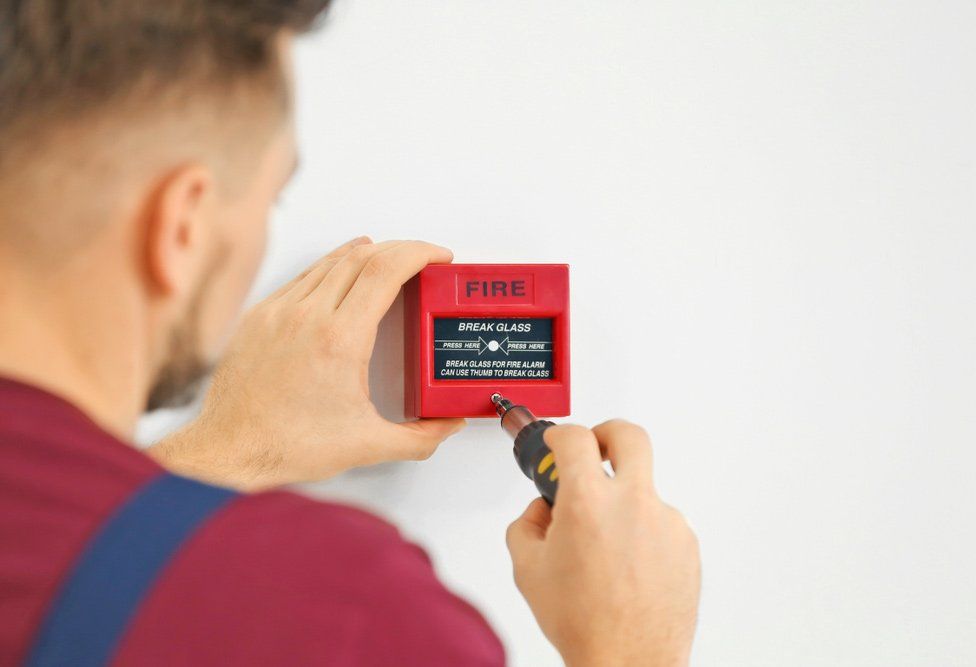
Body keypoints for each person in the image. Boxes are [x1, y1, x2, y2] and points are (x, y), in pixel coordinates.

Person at [0, 1, 701, 665]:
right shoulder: (342, 616)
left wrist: (232, 451)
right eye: (271, 196)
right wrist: (631, 646)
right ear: (183, 226)